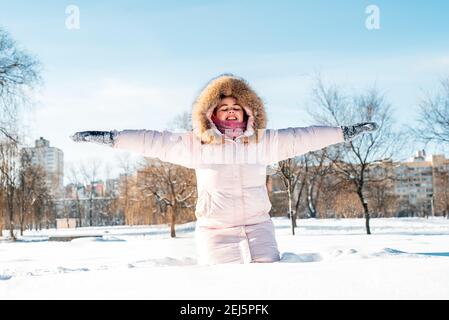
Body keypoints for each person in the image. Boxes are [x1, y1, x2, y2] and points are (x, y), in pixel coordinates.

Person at [71, 74, 377, 265]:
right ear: (212, 113)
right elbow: (153, 142)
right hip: (215, 232)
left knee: (268, 291)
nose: (231, 112)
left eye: (236, 108)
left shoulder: (264, 142)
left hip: (259, 228)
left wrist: (343, 132)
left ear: (248, 112)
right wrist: (113, 138)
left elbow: (304, 137)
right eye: (224, 108)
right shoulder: (197, 145)